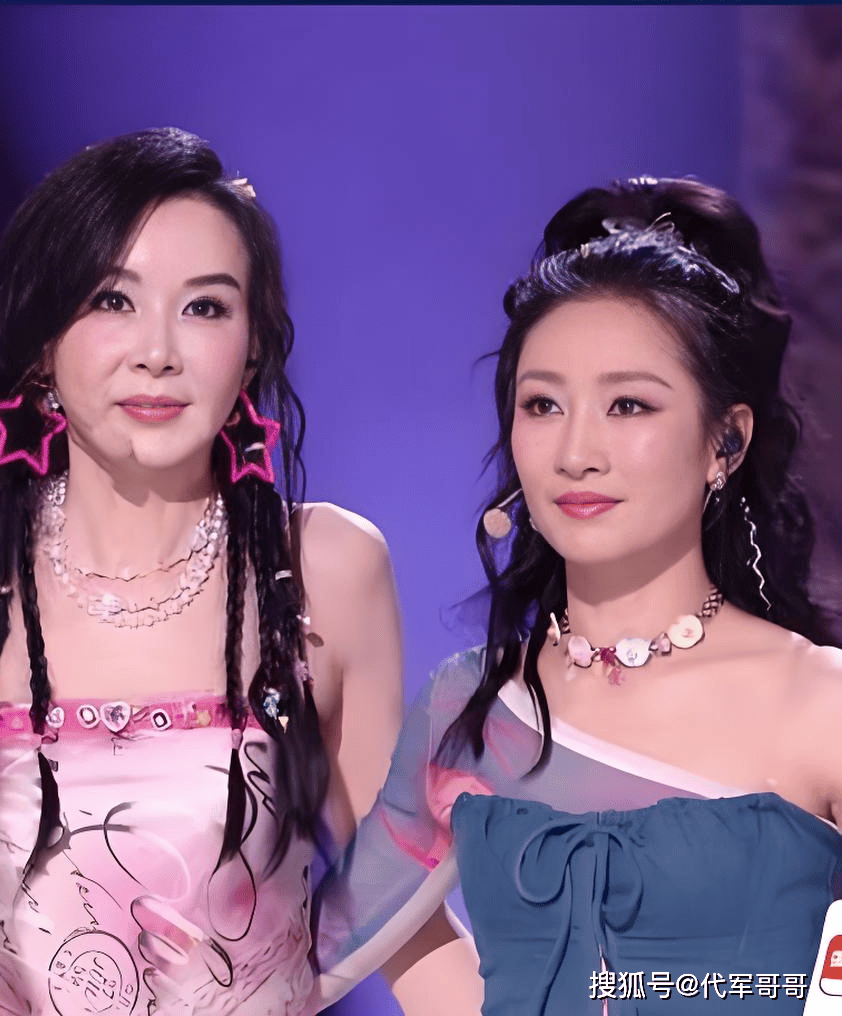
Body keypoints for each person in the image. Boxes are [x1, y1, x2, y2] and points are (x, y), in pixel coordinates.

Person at [0, 127, 452, 1015]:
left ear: (252, 347)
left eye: (205, 308)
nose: (158, 352)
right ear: (43, 345)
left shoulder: (323, 568)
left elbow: (400, 908)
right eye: (112, 300)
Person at [316, 177, 842, 1014]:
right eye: (543, 404)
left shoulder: (819, 702)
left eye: (628, 404)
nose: (576, 452)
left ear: (726, 442)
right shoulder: (475, 703)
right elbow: (302, 956)